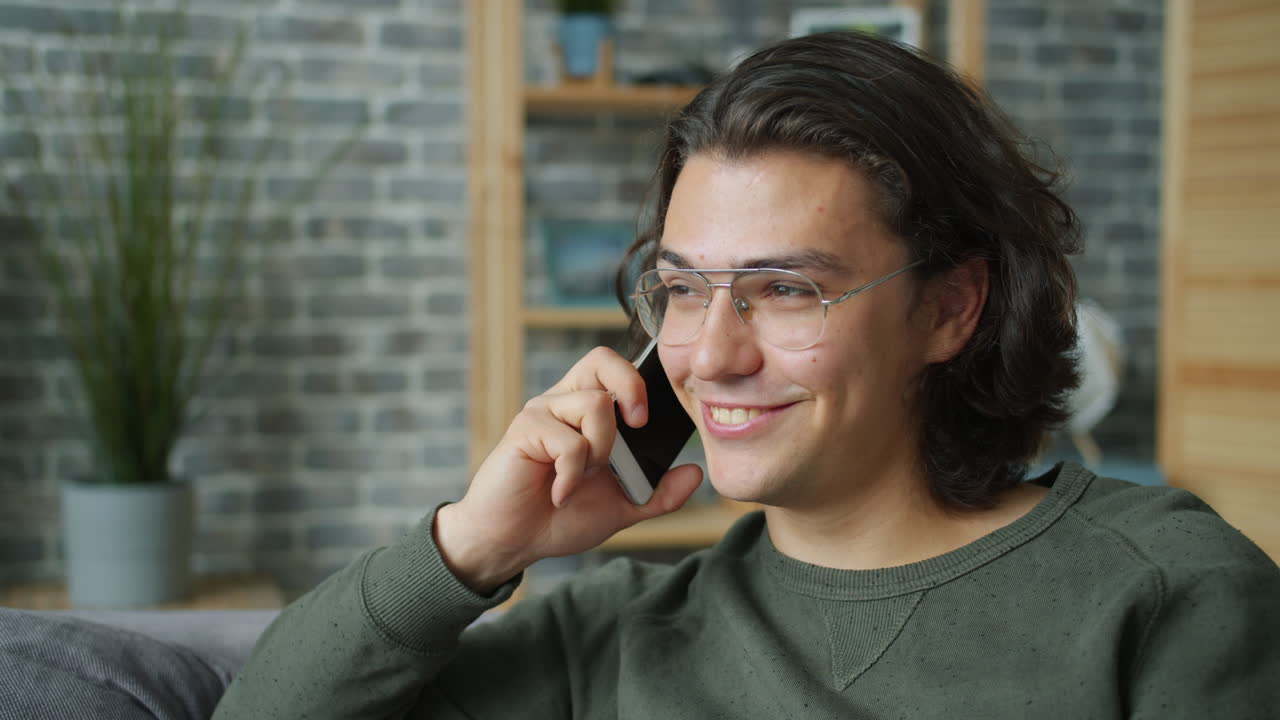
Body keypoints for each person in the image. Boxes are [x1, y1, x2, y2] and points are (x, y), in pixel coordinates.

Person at [214, 31, 1280, 719]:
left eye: (782, 290)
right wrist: (469, 548)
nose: (711, 353)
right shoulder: (619, 635)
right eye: (680, 289)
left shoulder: (1168, 594)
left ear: (951, 308)